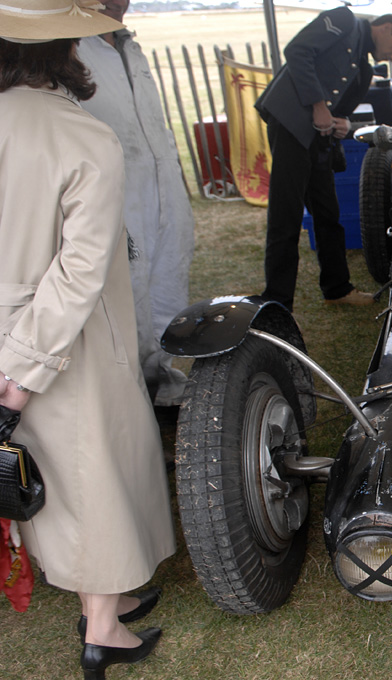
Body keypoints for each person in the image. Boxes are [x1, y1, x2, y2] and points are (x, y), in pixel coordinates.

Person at [0, 2, 176, 678]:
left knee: (47, 472)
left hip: (16, 328)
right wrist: (23, 368)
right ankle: (102, 629)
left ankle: (108, 595)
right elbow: (79, 272)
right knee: (89, 474)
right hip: (62, 337)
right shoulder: (82, 135)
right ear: (65, 50)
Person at [76, 0, 195, 406]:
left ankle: (160, 379)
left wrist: (174, 178)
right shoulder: (68, 48)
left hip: (161, 187)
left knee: (167, 281)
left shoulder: (130, 45)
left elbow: (154, 122)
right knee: (125, 291)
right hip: (114, 188)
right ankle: (129, 396)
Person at [256, 10, 392, 311]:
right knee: (285, 217)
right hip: (290, 124)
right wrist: (318, 106)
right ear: (385, 27)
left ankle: (337, 288)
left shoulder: (364, 71)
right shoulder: (344, 20)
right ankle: (277, 304)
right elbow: (297, 51)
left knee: (328, 212)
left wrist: (344, 125)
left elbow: (337, 112)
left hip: (314, 137)